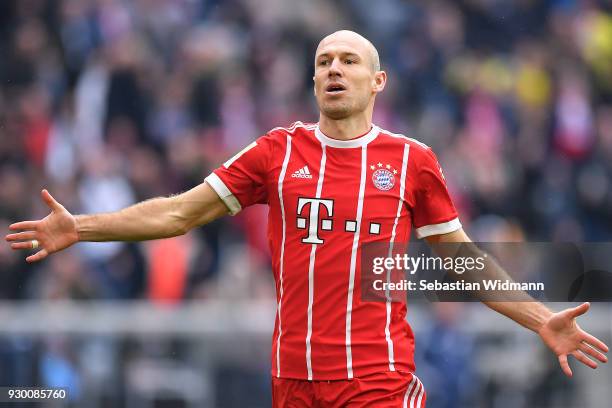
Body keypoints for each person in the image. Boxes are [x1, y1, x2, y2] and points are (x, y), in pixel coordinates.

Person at [5, 30, 608, 407]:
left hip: (378, 381)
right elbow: (178, 213)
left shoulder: (410, 160)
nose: (334, 70)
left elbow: (462, 261)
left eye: (348, 61)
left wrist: (540, 321)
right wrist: (80, 226)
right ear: (313, 78)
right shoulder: (276, 152)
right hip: (294, 380)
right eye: (324, 61)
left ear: (378, 82)